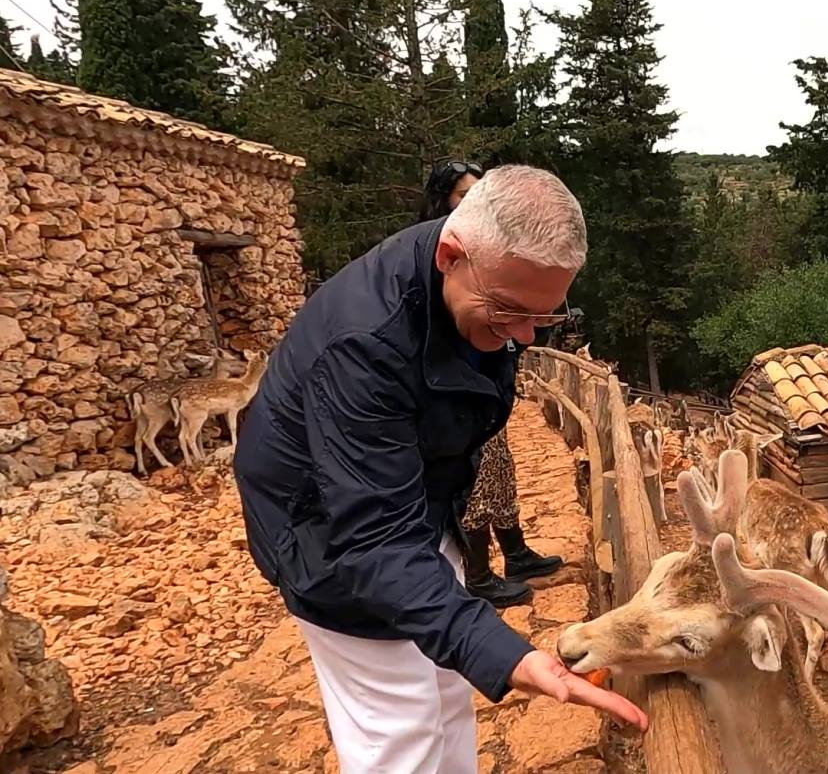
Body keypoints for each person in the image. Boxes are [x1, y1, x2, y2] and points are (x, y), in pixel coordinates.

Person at [232, 165, 648, 773]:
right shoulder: (363, 345)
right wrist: (505, 654)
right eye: (510, 310)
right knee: (400, 729)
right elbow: (373, 540)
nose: (527, 337)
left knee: (448, 694)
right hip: (327, 540)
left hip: (415, 511)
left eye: (547, 317)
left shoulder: (473, 282)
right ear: (452, 255)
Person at [418, 160, 563, 608]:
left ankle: (515, 553)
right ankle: (478, 576)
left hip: (484, 389)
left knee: (500, 472)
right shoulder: (444, 268)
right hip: (459, 394)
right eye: (466, 197)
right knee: (477, 480)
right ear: (444, 202)